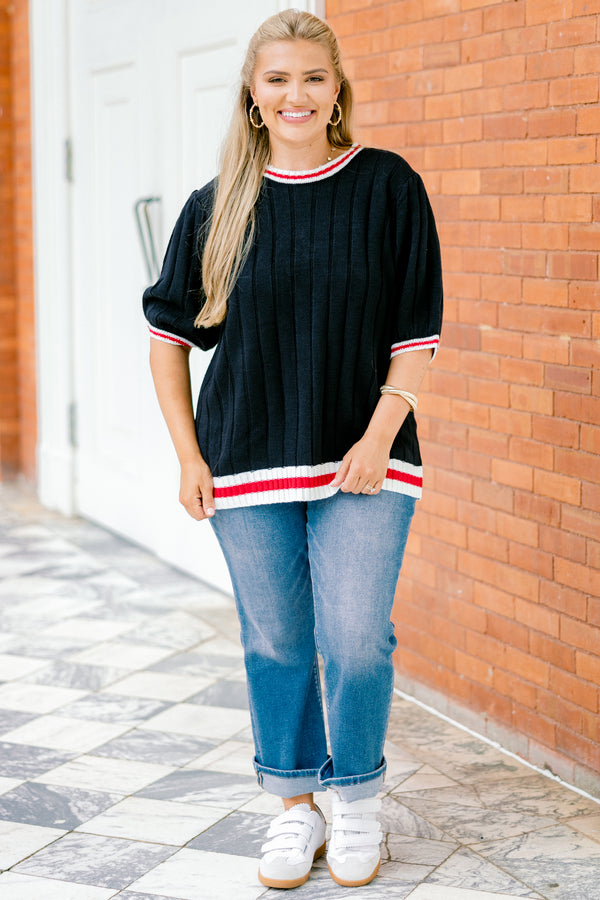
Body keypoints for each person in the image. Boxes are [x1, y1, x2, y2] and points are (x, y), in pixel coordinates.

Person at [143, 8, 442, 890]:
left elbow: (416, 329)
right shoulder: (216, 204)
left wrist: (377, 438)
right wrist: (189, 458)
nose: (295, 94)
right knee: (276, 641)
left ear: (337, 88)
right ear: (253, 93)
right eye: (277, 79)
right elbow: (167, 338)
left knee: (356, 641)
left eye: (313, 78)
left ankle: (356, 803)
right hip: (245, 460)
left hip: (365, 457)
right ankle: (294, 810)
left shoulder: (387, 186)